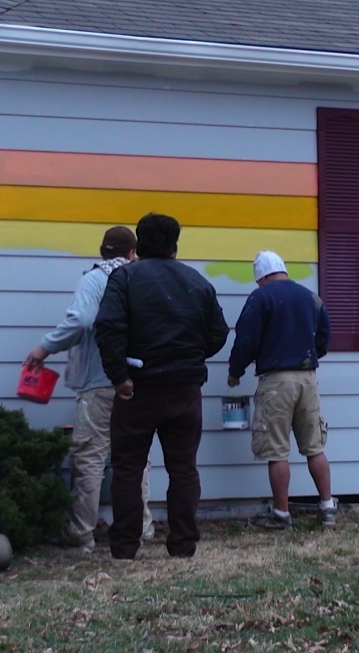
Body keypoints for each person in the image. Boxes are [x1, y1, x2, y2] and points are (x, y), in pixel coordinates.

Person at [95, 213, 229, 560]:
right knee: (183, 469)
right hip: (185, 389)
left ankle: (125, 547)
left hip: (137, 387)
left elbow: (108, 328)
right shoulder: (196, 282)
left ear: (138, 244)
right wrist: (190, 356)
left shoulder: (124, 278)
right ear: (175, 245)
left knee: (127, 468)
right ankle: (183, 545)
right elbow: (218, 333)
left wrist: (119, 376)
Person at [23, 226, 155, 553]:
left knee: (90, 458)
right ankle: (142, 528)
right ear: (131, 253)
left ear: (102, 252)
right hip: (139, 384)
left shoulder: (94, 279)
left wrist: (45, 347)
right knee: (136, 458)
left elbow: (81, 320)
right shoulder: (143, 279)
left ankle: (81, 535)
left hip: (99, 383)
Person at [227, 250, 337, 529]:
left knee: (276, 450)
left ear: (261, 277)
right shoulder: (310, 297)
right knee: (314, 447)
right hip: (308, 377)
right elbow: (324, 338)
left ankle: (281, 514)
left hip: (276, 380)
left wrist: (235, 371)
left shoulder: (261, 297)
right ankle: (327, 507)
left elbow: (246, 339)